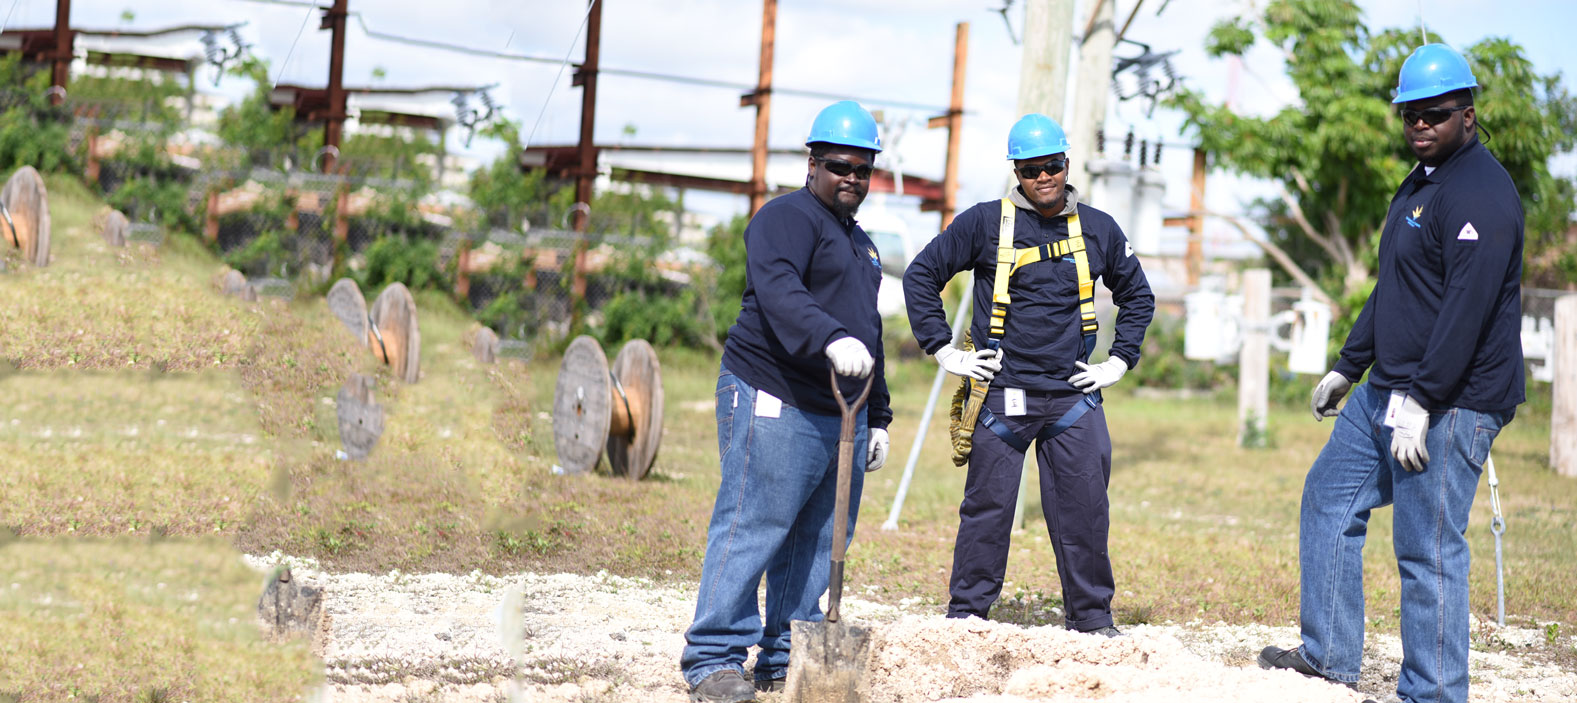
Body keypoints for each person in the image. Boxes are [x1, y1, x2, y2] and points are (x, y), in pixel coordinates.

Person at [1258, 43, 1525, 703]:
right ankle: (1327, 657)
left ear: (1468, 114)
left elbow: (1465, 310)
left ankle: (1433, 692)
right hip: (1387, 389)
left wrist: (1423, 401)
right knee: (1328, 497)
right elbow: (1396, 286)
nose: (1420, 125)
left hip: (1453, 401)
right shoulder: (1420, 182)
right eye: (1409, 114)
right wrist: (1349, 365)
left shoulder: (1481, 194)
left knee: (1425, 547)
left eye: (1435, 113)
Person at [902, 113, 1154, 634]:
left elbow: (1138, 296)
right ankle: (967, 618)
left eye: (1052, 166)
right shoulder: (983, 223)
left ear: (1067, 164)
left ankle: (1092, 620)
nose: (1043, 177)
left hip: (1072, 398)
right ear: (1015, 172)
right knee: (987, 511)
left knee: (1086, 511)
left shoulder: (1099, 229)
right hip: (1002, 395)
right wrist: (943, 350)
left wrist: (1119, 360)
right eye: (1030, 169)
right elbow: (921, 274)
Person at [679, 100, 894, 703]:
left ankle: (784, 656)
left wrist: (878, 414)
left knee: (821, 539)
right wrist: (830, 337)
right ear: (813, 163)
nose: (852, 178)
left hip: (840, 412)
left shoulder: (863, 246)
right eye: (840, 166)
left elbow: (869, 332)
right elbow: (780, 293)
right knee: (754, 525)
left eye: (863, 169)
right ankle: (713, 657)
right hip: (772, 393)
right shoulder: (785, 218)